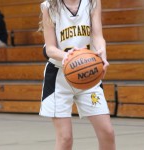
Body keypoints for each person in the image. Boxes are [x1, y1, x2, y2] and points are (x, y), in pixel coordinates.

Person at [39, 0, 116, 150]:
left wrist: (102, 54)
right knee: (65, 139)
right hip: (59, 77)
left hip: (88, 74)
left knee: (107, 132)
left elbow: (98, 36)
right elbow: (50, 49)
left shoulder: (93, 2)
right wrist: (68, 57)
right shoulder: (48, 6)